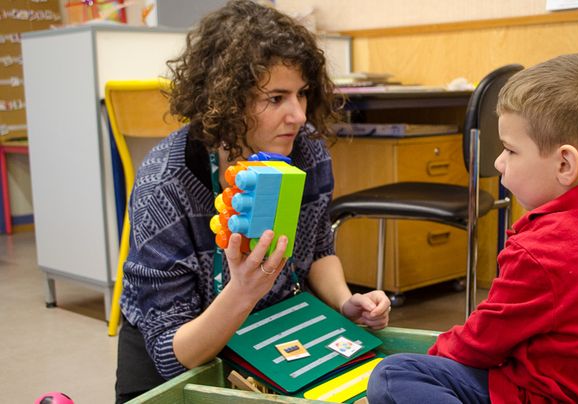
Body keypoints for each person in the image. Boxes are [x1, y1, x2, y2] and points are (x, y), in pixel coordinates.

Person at [114, 1, 391, 402]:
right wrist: (243, 291)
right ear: (224, 100)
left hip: (268, 328)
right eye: (276, 98)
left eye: (302, 94)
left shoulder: (307, 154)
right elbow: (174, 356)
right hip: (179, 348)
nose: (297, 115)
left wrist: (346, 300)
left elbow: (316, 252)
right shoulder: (165, 183)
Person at [367, 53, 578, 403]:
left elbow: (479, 343)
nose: (498, 161)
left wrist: (433, 356)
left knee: (393, 375)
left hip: (549, 394)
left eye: (510, 150)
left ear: (565, 164)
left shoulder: (541, 251)